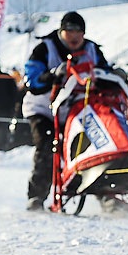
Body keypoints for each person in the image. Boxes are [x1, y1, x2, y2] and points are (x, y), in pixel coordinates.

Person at [22, 11, 109, 211]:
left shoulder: (92, 49)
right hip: (43, 109)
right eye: (69, 30)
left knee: (96, 146)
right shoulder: (44, 48)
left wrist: (114, 74)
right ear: (61, 32)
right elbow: (32, 82)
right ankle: (36, 197)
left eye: (79, 31)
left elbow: (105, 71)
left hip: (76, 111)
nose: (74, 35)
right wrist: (52, 76)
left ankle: (107, 195)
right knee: (48, 146)